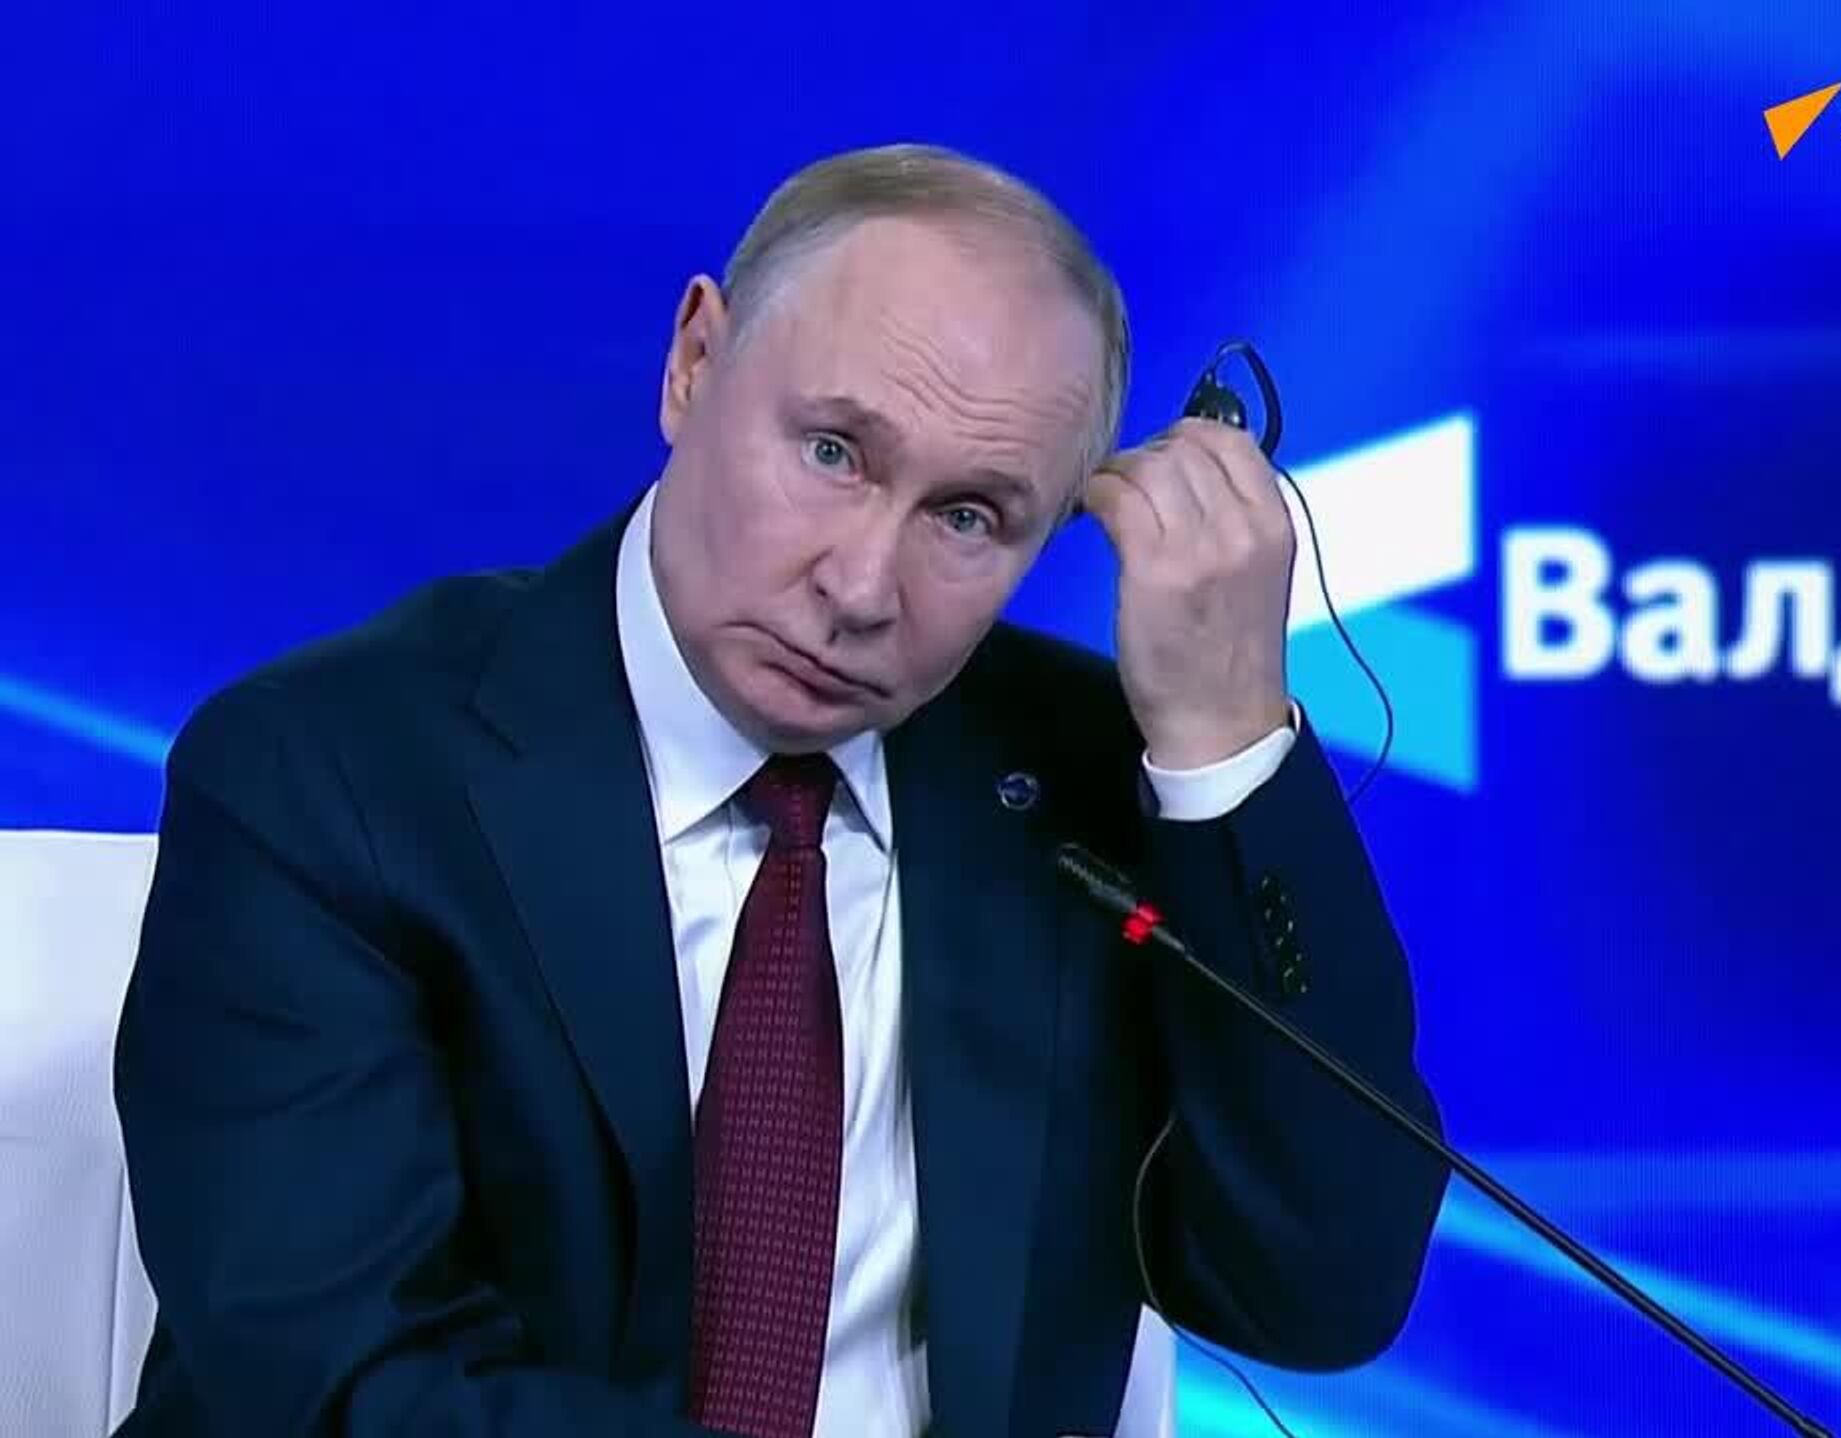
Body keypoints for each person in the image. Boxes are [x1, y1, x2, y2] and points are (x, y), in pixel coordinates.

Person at [111, 142, 1448, 1438]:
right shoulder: (329, 773)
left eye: (968, 518)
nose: (861, 588)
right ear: (695, 361)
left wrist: (1221, 748)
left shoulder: (1076, 786)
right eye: (833, 453)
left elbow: (1316, 1290)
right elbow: (352, 1385)